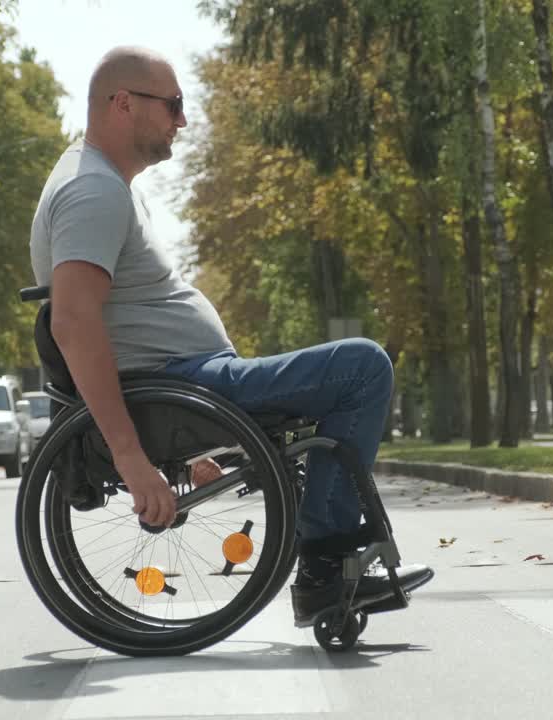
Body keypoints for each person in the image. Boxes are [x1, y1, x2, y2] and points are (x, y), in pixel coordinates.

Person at [28, 46, 432, 627]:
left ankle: (330, 559)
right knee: (362, 368)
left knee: (351, 375)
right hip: (179, 383)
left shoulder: (104, 183)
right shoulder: (91, 191)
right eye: (172, 105)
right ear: (122, 103)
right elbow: (72, 322)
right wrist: (133, 456)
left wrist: (193, 450)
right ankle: (326, 563)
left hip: (185, 384)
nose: (182, 120)